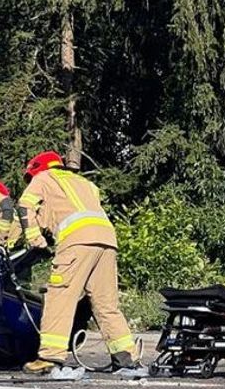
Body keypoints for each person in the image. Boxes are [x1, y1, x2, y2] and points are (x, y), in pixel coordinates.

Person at [14, 151, 144, 376]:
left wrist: (35, 240)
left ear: (37, 169)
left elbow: (25, 207)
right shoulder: (85, 183)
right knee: (106, 303)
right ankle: (125, 357)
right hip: (106, 241)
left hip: (77, 240)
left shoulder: (44, 178)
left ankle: (49, 357)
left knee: (60, 296)